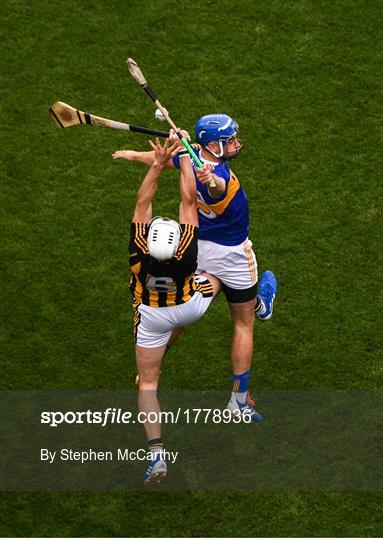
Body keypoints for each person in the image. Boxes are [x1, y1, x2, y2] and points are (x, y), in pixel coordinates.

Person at [113, 114, 278, 423]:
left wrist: (134, 155)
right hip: (234, 255)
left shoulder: (193, 156)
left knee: (176, 309)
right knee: (243, 323)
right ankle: (238, 401)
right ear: (214, 146)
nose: (236, 143)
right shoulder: (218, 176)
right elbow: (216, 186)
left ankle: (152, 364)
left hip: (199, 251)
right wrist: (209, 178)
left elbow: (165, 160)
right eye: (230, 140)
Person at [128, 137, 220, 484]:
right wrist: (183, 156)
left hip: (151, 319)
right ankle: (255, 300)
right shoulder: (186, 253)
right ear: (176, 239)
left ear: (149, 238)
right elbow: (187, 199)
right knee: (219, 276)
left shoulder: (139, 251)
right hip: (189, 307)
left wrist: (156, 165)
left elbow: (143, 203)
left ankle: (156, 456)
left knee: (148, 383)